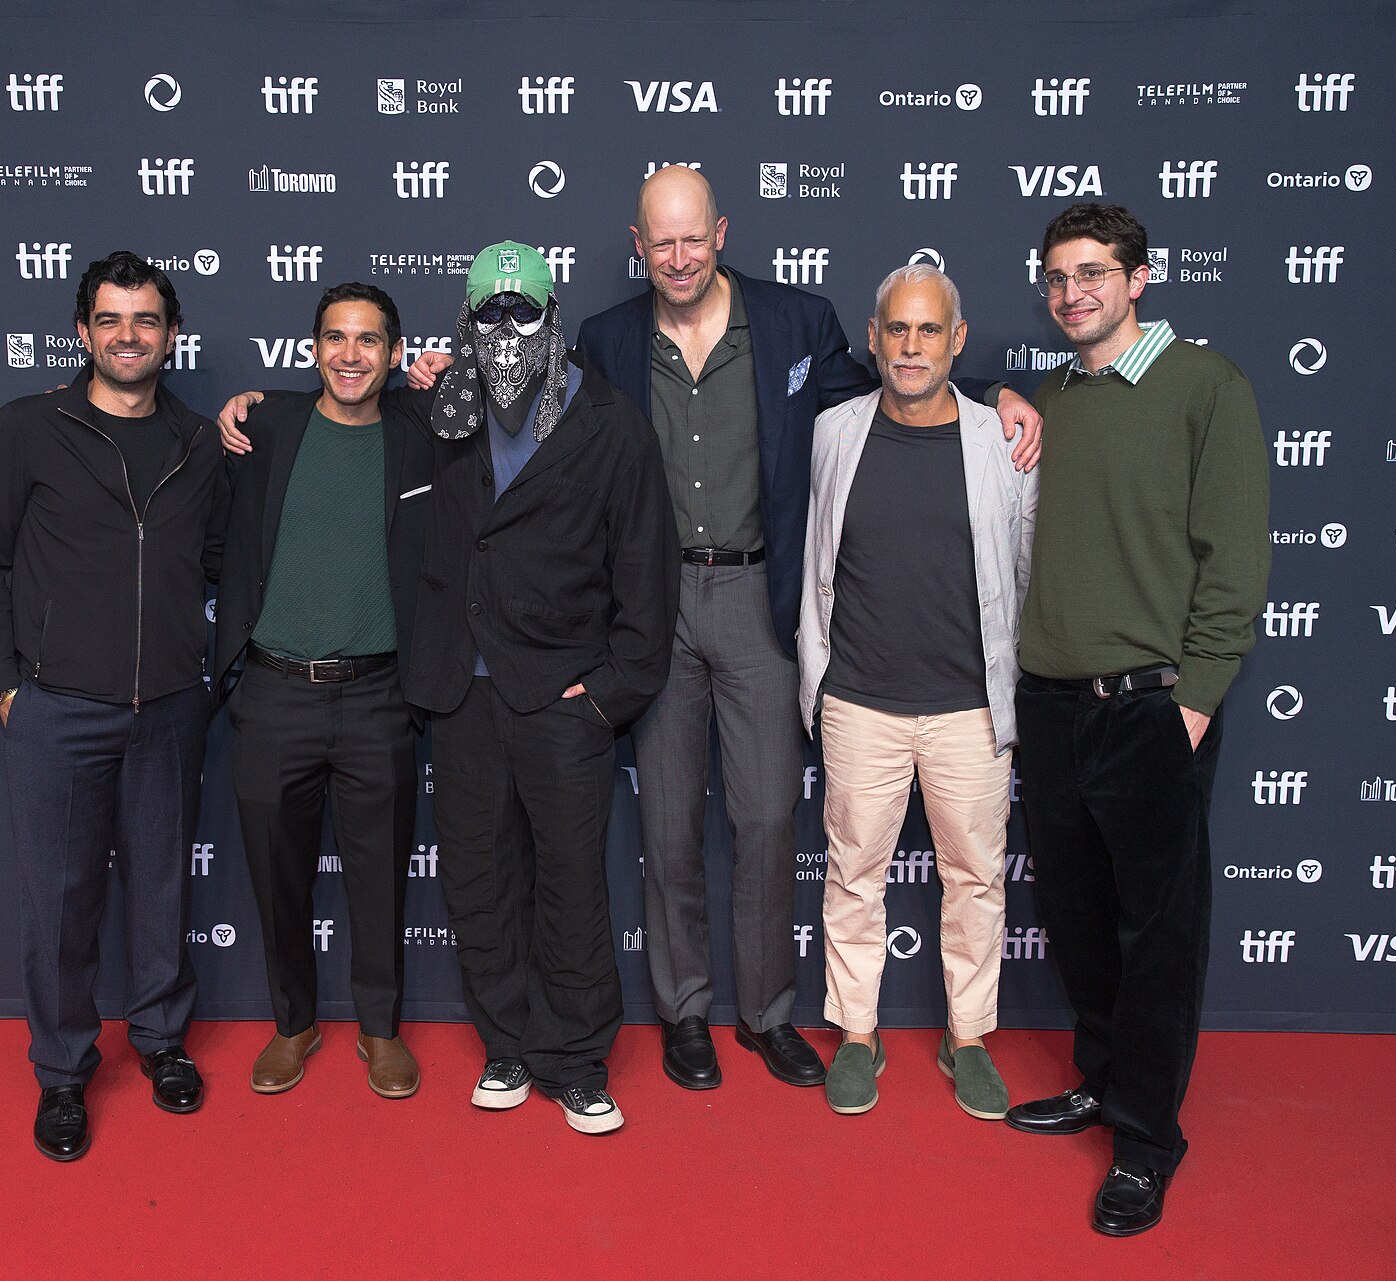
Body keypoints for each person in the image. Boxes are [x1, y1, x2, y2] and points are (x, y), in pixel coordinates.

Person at [573, 165, 1042, 1091]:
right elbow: (547, 423)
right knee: (667, 827)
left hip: (761, 599)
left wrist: (1008, 395)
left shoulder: (795, 322)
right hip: (655, 606)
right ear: (638, 246)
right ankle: (683, 1013)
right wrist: (439, 379)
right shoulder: (603, 340)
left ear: (721, 233)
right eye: (659, 241)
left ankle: (767, 1015)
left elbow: (900, 381)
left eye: (692, 237)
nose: (677, 256)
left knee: (764, 818)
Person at [1005, 203, 1269, 1236]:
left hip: (1152, 707)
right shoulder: (1058, 398)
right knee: (1077, 919)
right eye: (1058, 277)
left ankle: (1147, 1142)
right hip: (1054, 707)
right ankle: (1105, 1083)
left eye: (1093, 273)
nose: (1074, 292)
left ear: (1140, 278)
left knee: (1157, 935)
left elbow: (1235, 560)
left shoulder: (1207, 386)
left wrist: (1195, 701)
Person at [0, 251, 228, 1162]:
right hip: (56, 709)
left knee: (160, 889)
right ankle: (64, 1073)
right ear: (83, 332)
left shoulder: (197, 444)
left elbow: (224, 562)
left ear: (171, 335)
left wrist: (206, 672)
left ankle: (158, 1043)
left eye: (146, 320)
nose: (128, 335)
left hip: (169, 712)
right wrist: (2, 680)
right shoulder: (30, 428)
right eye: (110, 319)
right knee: (61, 904)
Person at [407, 241, 675, 1133]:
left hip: (565, 696)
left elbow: (645, 571)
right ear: (465, 320)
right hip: (464, 695)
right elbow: (332, 419)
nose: (508, 330)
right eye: (489, 313)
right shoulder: (439, 412)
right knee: (481, 881)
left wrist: (607, 693)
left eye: (526, 313)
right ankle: (508, 1043)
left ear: (554, 316)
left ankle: (575, 1055)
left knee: (570, 882)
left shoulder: (611, 422)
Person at [798, 265, 1034, 1119]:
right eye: (897, 329)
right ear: (872, 336)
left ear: (957, 342)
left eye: (929, 331)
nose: (911, 346)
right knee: (853, 872)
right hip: (859, 698)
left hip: (970, 706)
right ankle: (857, 1031)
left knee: (976, 876)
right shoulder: (832, 432)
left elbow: (1023, 569)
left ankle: (967, 1036)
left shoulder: (1003, 442)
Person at [210, 283, 433, 1101]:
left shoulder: (419, 432)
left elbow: (511, 407)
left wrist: (451, 379)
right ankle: (293, 1023)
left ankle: (380, 1031)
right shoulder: (265, 426)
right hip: (274, 692)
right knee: (277, 874)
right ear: (312, 350)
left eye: (369, 340)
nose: (351, 354)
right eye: (336, 338)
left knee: (381, 876)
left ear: (395, 353)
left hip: (379, 694)